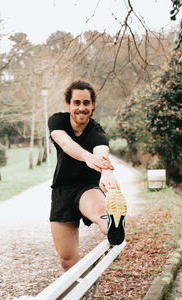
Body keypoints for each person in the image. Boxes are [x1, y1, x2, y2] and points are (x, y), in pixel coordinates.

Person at [48, 80, 126, 272]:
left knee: (100, 209)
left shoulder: (97, 132)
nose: (81, 108)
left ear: (92, 105)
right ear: (69, 105)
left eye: (86, 103)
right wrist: (87, 157)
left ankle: (113, 223)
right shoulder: (57, 121)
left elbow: (102, 153)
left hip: (87, 187)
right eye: (77, 103)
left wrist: (106, 172)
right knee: (67, 260)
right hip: (62, 192)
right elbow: (65, 144)